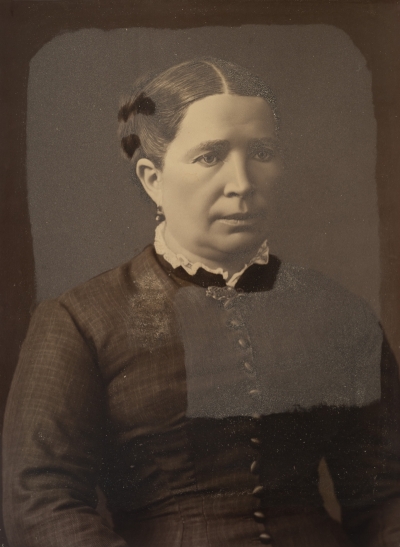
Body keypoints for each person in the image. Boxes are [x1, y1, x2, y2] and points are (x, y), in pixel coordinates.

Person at [2, 58, 400, 547]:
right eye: (210, 157)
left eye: (261, 152)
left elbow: (386, 496)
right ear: (152, 178)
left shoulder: (339, 314)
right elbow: (40, 503)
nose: (242, 182)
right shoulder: (80, 321)